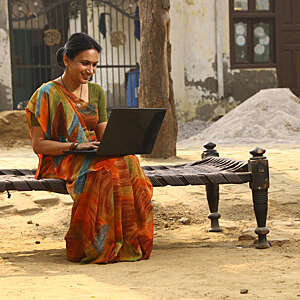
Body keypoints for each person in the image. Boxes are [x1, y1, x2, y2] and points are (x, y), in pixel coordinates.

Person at [25, 33, 153, 264]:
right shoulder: (45, 94)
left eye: (94, 65)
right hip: (61, 158)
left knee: (129, 162)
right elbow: (39, 145)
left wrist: (122, 143)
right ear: (67, 59)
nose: (90, 70)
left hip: (91, 153)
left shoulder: (96, 93)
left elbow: (104, 137)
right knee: (103, 170)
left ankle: (128, 240)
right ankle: (97, 243)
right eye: (85, 63)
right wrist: (76, 145)